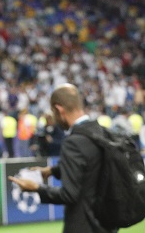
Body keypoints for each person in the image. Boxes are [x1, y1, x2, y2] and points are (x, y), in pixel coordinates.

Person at [8, 83, 117, 233]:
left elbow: (69, 195)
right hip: (107, 226)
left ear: (59, 109)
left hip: (83, 226)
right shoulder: (102, 133)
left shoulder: (73, 142)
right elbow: (90, 163)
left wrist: (36, 188)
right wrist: (52, 171)